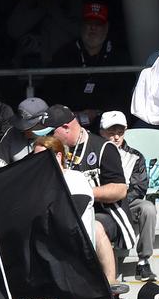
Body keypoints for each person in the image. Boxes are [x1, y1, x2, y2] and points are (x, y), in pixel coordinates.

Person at [48, 104, 137, 285]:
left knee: (93, 227)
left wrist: (85, 191)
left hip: (108, 214)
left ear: (66, 128)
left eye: (52, 132)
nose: (49, 137)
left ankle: (110, 286)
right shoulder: (56, 151)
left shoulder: (103, 148)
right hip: (70, 214)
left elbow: (120, 189)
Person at [49, 2, 130, 128]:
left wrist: (99, 113)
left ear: (106, 27)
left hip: (107, 124)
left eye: (98, 24)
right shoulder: (64, 54)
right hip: (69, 123)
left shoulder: (119, 56)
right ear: (81, 26)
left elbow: (124, 95)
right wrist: (68, 113)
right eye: (89, 24)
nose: (93, 28)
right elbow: (52, 92)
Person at [99, 110, 158, 280]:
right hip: (101, 205)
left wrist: (121, 199)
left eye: (120, 132)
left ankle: (143, 262)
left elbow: (140, 186)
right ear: (102, 132)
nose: (116, 137)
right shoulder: (94, 153)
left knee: (148, 208)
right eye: (111, 133)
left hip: (126, 203)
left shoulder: (135, 156)